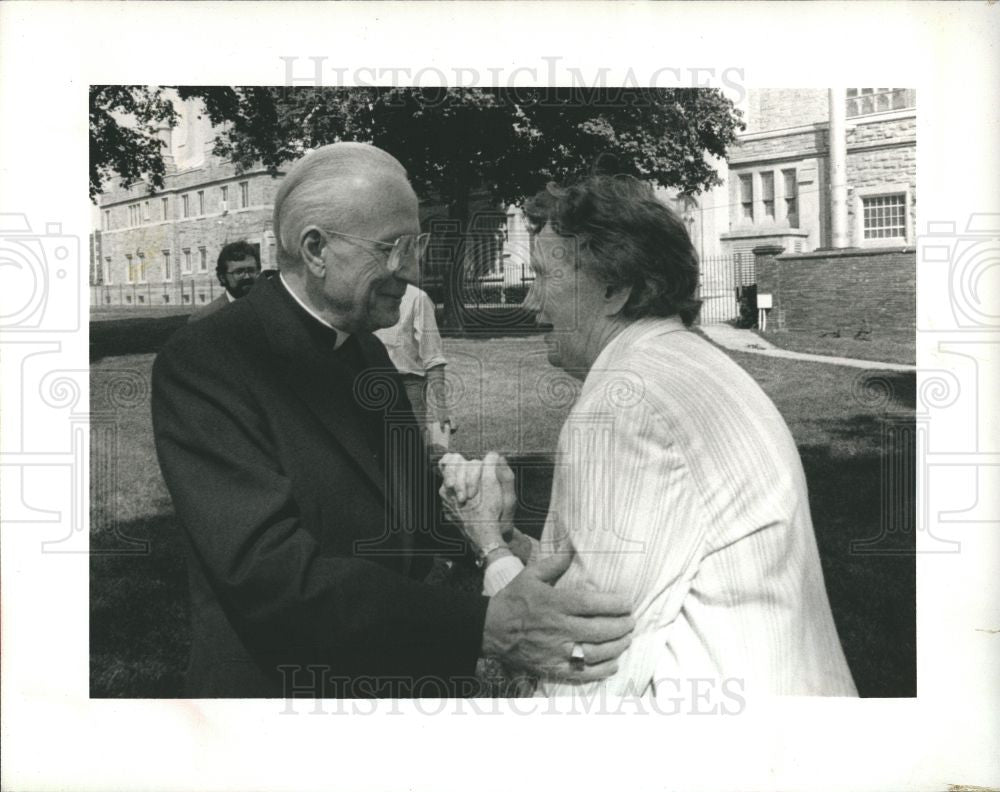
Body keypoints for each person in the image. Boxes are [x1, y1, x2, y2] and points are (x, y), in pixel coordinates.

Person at [151, 143, 634, 698]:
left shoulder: (366, 353)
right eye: (395, 248)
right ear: (315, 250)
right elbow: (269, 576)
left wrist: (477, 519)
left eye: (418, 244)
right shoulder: (211, 363)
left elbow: (411, 516)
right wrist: (483, 626)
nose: (414, 269)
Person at [440, 174, 858, 700]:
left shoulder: (626, 405)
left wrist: (489, 548)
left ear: (614, 289)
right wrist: (519, 547)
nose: (530, 303)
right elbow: (634, 580)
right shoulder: (687, 363)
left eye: (544, 276)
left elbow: (580, 666)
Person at [374, 283, 453, 452]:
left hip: (409, 387)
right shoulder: (365, 295)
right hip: (370, 383)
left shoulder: (418, 298)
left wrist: (441, 406)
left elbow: (433, 356)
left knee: (410, 451)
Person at [188, 240, 261, 322]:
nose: (247, 276)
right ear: (222, 277)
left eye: (251, 270)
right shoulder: (205, 318)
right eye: (239, 272)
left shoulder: (269, 309)